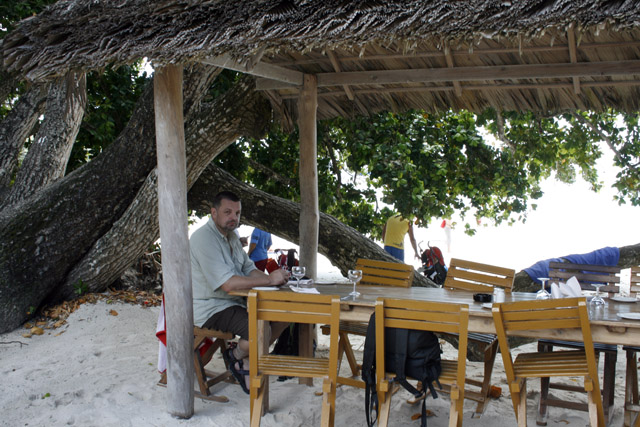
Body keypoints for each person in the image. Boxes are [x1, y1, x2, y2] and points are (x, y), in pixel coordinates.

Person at [190, 191, 289, 394]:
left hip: (236, 302)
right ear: (213, 212)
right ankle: (236, 356)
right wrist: (270, 279)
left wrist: (274, 280)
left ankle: (241, 357)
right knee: (259, 329)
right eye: (227, 212)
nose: (233, 217)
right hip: (212, 307)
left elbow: (248, 269)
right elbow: (227, 284)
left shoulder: (232, 236)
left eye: (237, 213)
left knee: (283, 315)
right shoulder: (203, 239)